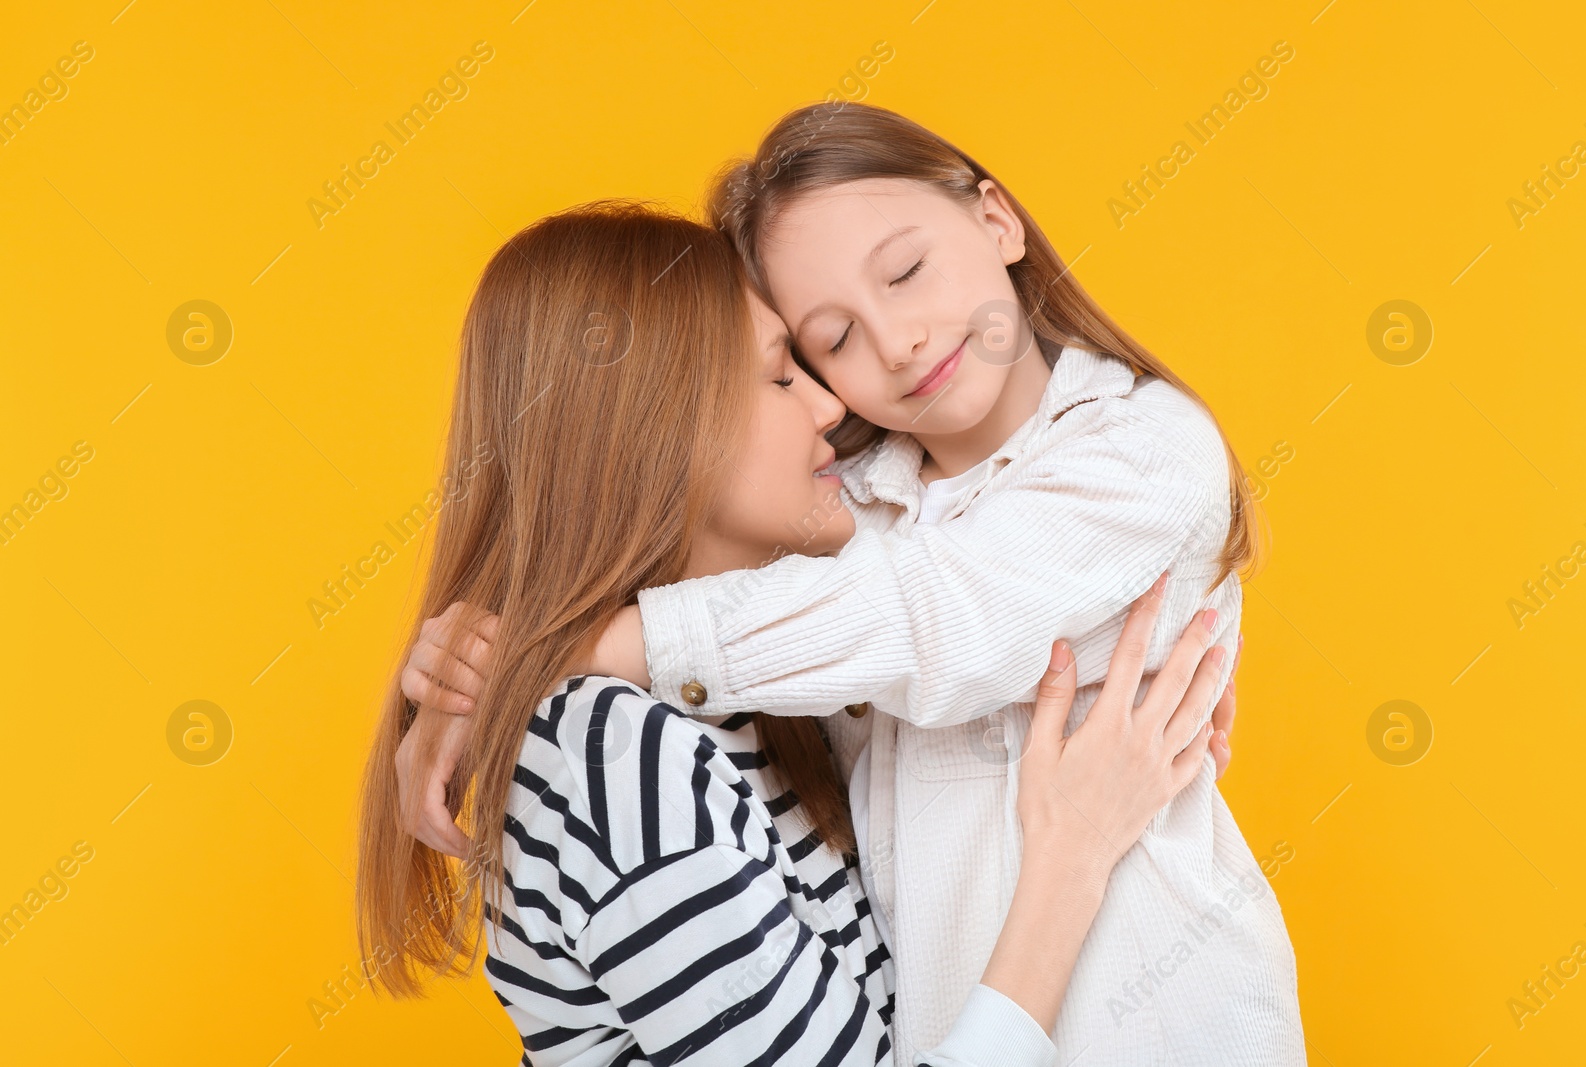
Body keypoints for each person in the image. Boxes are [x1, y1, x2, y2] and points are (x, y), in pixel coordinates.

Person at [400, 102, 1301, 1065]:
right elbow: (706, 585)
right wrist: (474, 678)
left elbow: (936, 618)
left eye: (908, 271)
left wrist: (558, 652)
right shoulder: (841, 520)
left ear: (999, 220)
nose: (899, 342)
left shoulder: (1146, 451)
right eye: (823, 344)